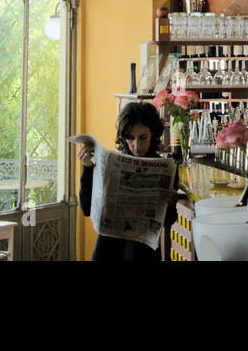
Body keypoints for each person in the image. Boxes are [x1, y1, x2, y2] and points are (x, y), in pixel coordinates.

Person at [77, 102, 180, 261]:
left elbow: (168, 221)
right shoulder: (110, 165)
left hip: (145, 253)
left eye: (142, 137)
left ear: (153, 133)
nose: (136, 146)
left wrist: (171, 203)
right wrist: (88, 167)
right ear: (123, 137)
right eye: (130, 138)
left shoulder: (166, 169)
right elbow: (86, 209)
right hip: (108, 251)